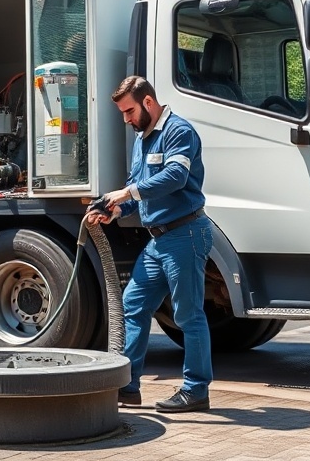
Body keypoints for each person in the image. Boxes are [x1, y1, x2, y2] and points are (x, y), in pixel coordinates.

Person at [85, 75, 214, 413]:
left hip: (186, 234)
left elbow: (175, 178)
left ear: (148, 102)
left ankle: (196, 390)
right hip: (158, 241)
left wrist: (124, 194)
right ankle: (128, 388)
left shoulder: (179, 131)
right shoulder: (141, 139)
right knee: (133, 306)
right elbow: (137, 190)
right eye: (122, 114)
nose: (126, 120)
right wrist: (114, 211)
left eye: (129, 111)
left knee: (188, 315)